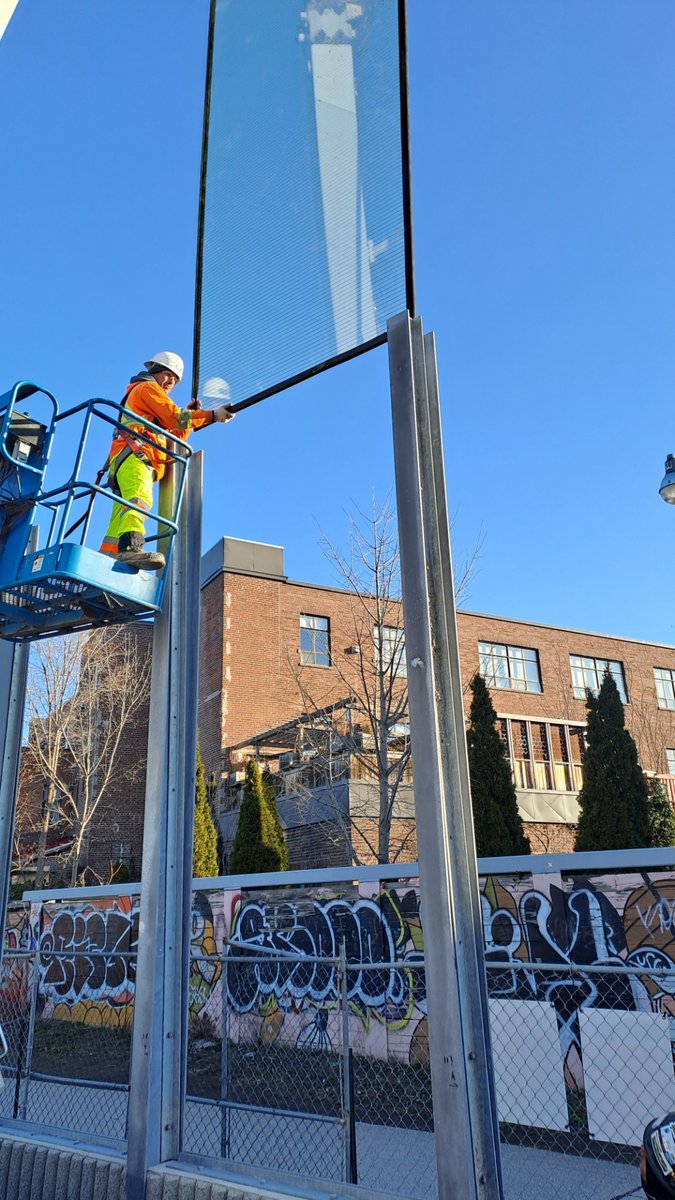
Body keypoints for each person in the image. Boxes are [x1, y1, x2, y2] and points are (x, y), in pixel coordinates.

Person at [100, 351, 233, 571]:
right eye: (168, 374)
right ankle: (131, 549)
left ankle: (105, 562)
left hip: (129, 458)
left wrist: (191, 418)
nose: (171, 381)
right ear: (155, 371)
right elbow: (175, 418)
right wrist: (211, 415)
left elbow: (174, 435)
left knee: (121, 515)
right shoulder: (147, 388)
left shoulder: (148, 400)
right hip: (135, 456)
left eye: (176, 379)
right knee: (139, 499)